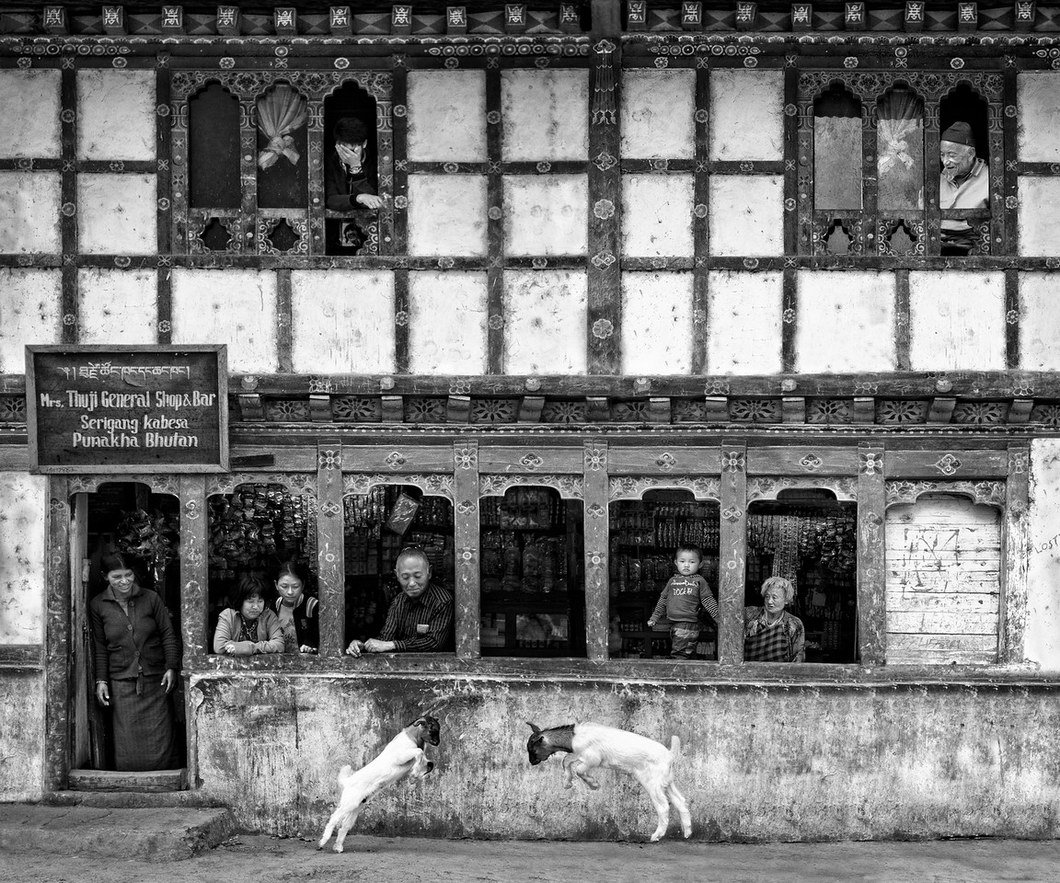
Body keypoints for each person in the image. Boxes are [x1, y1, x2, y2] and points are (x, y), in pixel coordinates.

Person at [89, 553, 180, 771]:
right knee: (127, 738)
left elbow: (168, 633)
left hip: (156, 680)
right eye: (116, 576)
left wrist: (171, 666)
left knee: (161, 734)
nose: (124, 581)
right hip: (121, 681)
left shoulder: (150, 598)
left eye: (128, 575)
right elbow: (100, 646)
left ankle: (163, 776)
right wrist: (101, 680)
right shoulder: (98, 605)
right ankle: (128, 780)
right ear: (105, 577)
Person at [346, 546, 453, 656]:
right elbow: (385, 639)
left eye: (418, 576)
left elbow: (433, 643)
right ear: (397, 575)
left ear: (429, 572)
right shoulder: (399, 601)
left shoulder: (442, 601)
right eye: (405, 577)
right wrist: (362, 646)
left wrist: (392, 645)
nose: (411, 583)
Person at [646, 544, 719, 660]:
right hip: (674, 624)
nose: (686, 565)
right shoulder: (672, 581)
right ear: (676, 562)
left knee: (679, 656)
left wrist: (718, 618)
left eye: (692, 562)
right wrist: (655, 617)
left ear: (700, 564)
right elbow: (663, 599)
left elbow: (708, 600)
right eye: (682, 561)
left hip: (687, 624)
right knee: (686, 654)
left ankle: (678, 677)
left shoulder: (699, 581)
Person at [939, 121, 989, 256]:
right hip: (938, 248)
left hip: (976, 252)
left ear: (971, 153)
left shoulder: (992, 180)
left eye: (952, 155)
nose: (945, 161)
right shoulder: (937, 180)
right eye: (942, 154)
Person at [214, 575, 284, 656]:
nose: (255, 606)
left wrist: (250, 647)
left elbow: (279, 645)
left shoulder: (269, 616)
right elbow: (219, 647)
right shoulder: (228, 616)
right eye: (250, 601)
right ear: (240, 601)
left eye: (260, 601)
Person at [325, 117, 383, 213]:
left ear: (364, 144)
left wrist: (355, 166)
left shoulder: (376, 162)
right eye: (344, 150)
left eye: (352, 151)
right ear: (337, 145)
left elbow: (372, 201)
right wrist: (358, 198)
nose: (348, 155)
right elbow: (331, 200)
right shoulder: (329, 162)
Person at [743, 576, 806, 663]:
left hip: (779, 674)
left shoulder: (793, 623)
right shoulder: (750, 614)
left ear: (786, 600)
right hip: (748, 672)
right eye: (767, 596)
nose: (769, 601)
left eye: (774, 597)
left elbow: (798, 657)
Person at [273, 560, 319, 654]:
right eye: (284, 586)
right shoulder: (274, 607)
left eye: (295, 586)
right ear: (276, 585)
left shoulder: (312, 605)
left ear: (302, 585)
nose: (290, 592)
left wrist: (310, 645)